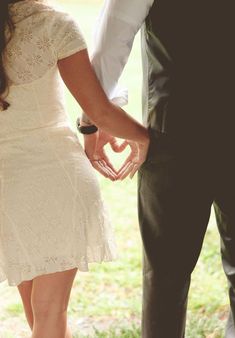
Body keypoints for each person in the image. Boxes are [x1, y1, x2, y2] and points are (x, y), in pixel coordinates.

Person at [81, 0, 235, 337]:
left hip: (175, 137)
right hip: (175, 141)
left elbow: (113, 39)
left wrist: (92, 121)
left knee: (166, 276)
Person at [0, 0, 149, 337]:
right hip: (55, 178)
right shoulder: (51, 24)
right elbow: (100, 111)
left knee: (41, 318)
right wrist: (145, 139)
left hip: (6, 189)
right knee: (50, 314)